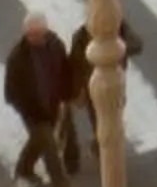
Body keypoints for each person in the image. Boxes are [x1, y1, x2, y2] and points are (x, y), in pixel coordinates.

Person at [2, 12, 74, 187]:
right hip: (32, 111)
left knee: (39, 141)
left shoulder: (56, 45)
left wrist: (67, 95)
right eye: (30, 34)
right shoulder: (17, 58)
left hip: (52, 104)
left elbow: (65, 70)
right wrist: (25, 109)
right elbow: (11, 91)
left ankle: (23, 170)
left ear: (46, 31)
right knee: (50, 149)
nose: (34, 38)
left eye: (37, 34)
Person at [62, 15, 145, 173]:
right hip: (93, 85)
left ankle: (101, 145)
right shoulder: (80, 37)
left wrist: (116, 48)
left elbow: (137, 45)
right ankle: (105, 154)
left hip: (115, 79)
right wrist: (76, 90)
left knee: (115, 113)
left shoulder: (119, 26)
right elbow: (75, 64)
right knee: (100, 119)